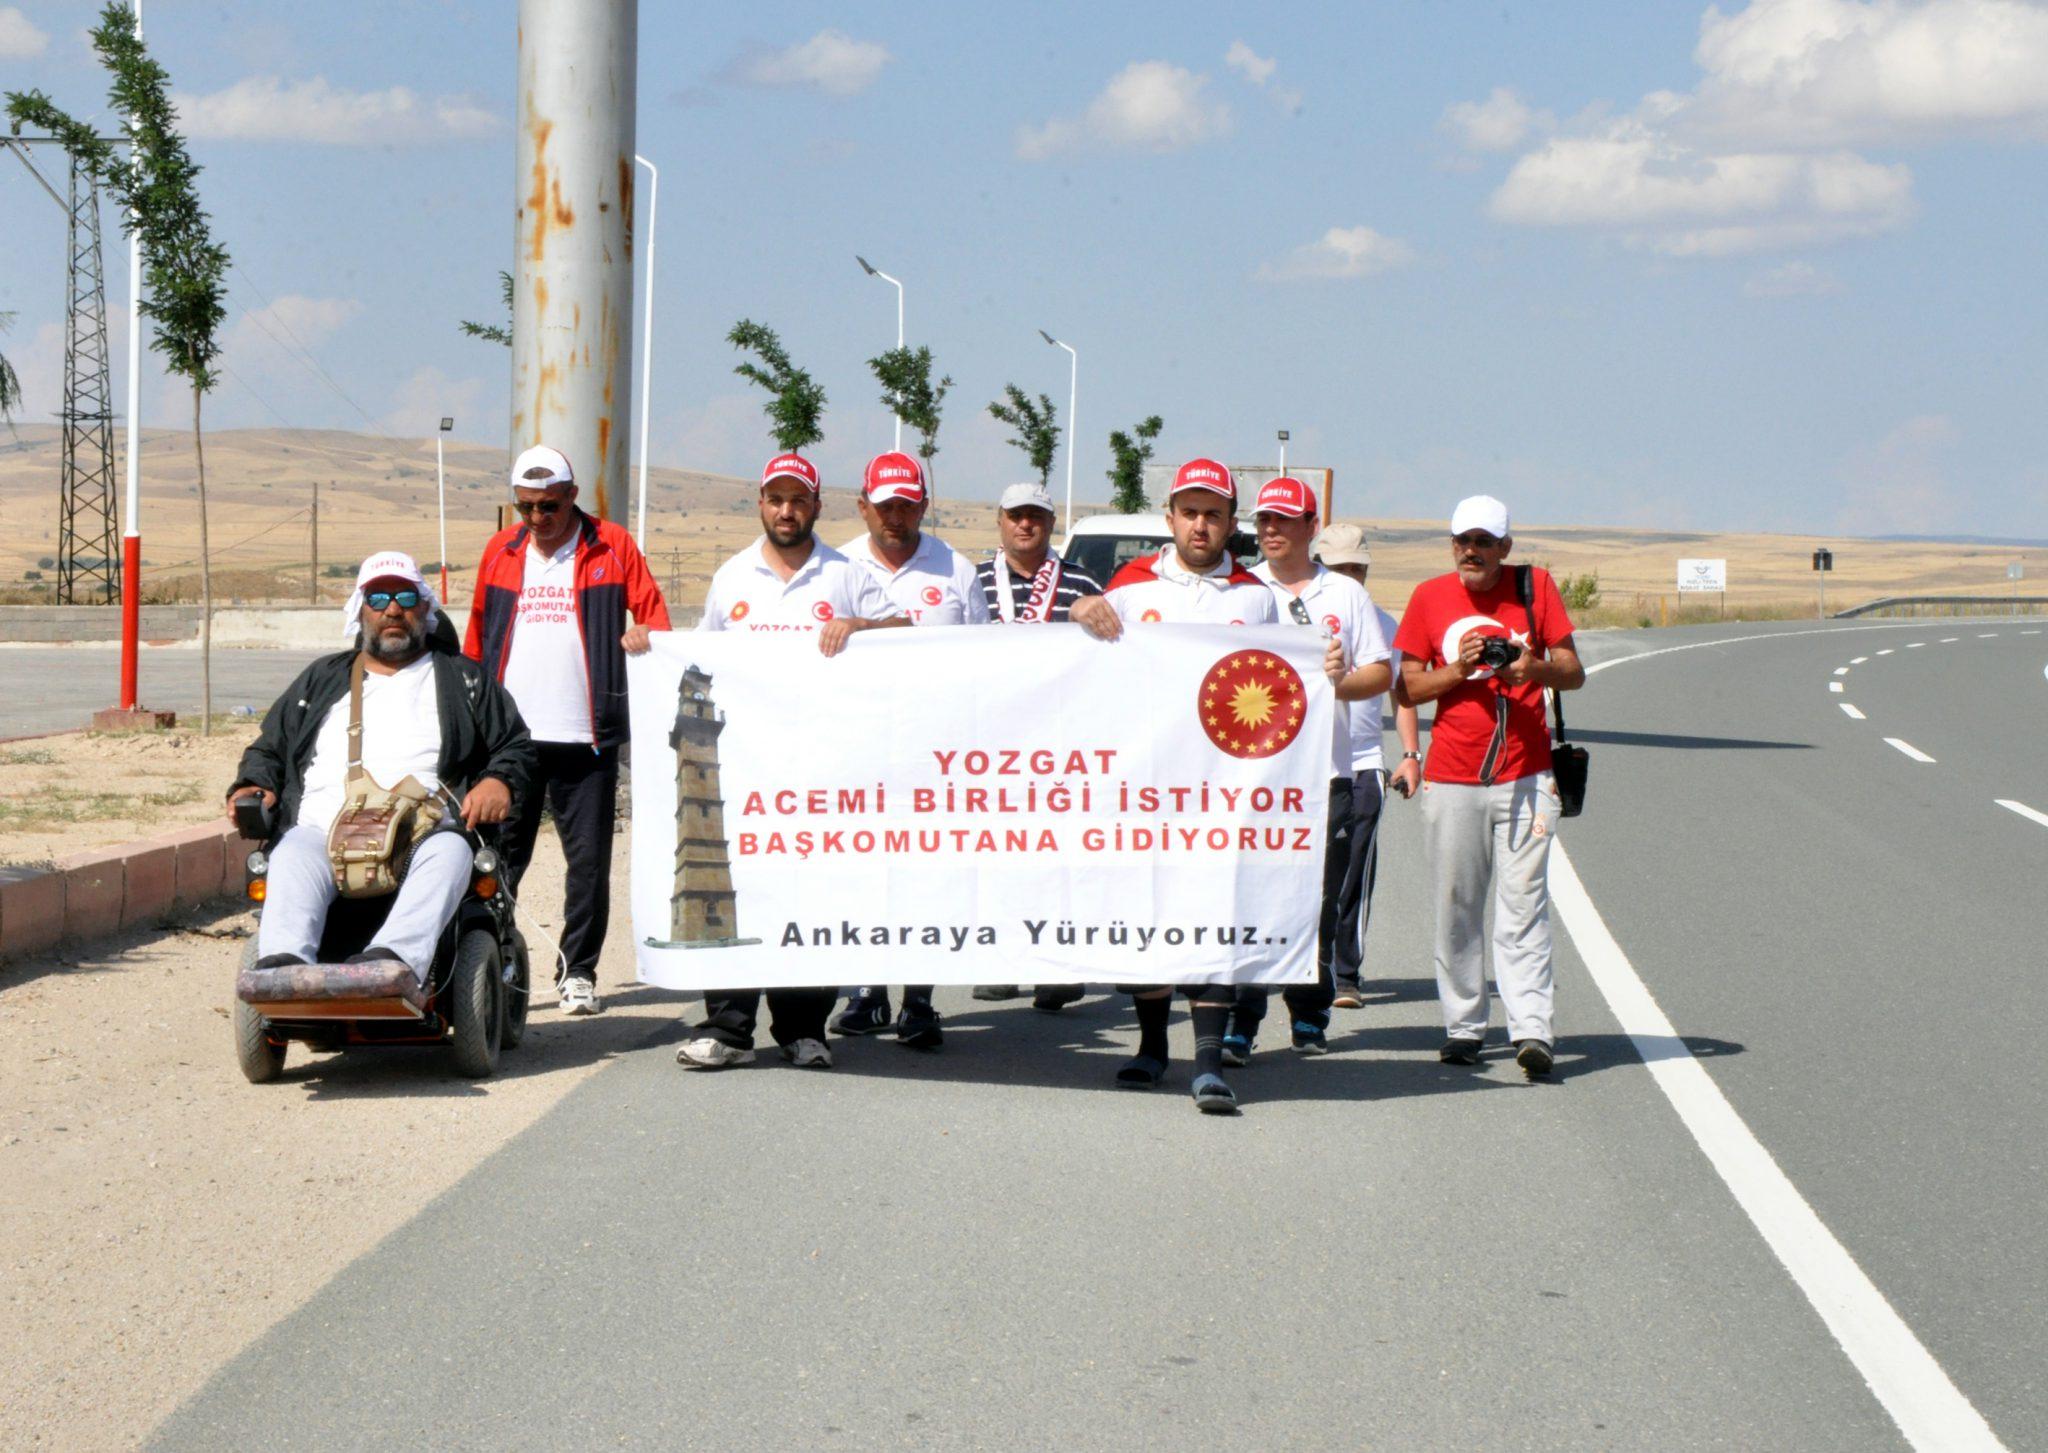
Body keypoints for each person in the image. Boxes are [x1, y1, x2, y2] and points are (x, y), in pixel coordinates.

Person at [673, 452, 907, 1072]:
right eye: (776, 499)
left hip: (822, 768)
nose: (786, 510)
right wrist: (649, 646)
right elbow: (697, 657)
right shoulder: (733, 576)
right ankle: (728, 1026)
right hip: (746, 768)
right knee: (736, 887)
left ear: (816, 506)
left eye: (798, 499)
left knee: (811, 892)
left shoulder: (845, 572)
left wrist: (860, 624)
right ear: (760, 504)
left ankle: (805, 1029)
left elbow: (907, 630)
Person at [226, 552, 535, 981]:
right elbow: (270, 748)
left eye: (406, 596)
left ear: (425, 608)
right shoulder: (322, 679)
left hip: (423, 836)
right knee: (291, 854)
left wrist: (499, 781)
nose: (393, 609)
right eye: (378, 598)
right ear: (360, 611)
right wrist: (254, 784)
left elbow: (515, 746)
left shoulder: (464, 679)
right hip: (322, 832)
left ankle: (392, 963)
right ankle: (283, 970)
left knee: (451, 852)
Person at [1098, 457, 1286, 1115]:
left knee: (1213, 914)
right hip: (1145, 786)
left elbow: (1282, 684)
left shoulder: (1256, 596)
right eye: (1189, 512)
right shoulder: (1128, 586)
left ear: (1232, 522)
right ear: (1170, 518)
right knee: (1146, 917)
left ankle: (1207, 1063)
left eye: (1213, 513)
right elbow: (1078, 671)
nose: (1200, 525)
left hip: (1220, 788)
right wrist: (1080, 613)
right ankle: (1153, 1047)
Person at [464, 444, 671, 1017]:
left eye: (548, 506)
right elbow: (477, 638)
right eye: (524, 506)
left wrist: (641, 637)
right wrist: (471, 717)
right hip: (511, 744)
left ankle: (577, 973)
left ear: (573, 497)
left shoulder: (612, 545)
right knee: (497, 859)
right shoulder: (500, 551)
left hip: (588, 737)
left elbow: (654, 616)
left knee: (588, 865)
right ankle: (498, 960)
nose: (536, 519)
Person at [1392, 495, 1584, 1077]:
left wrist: (1531, 668)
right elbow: (1406, 689)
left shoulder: (1536, 587)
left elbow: (1573, 671)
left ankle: (1532, 1031)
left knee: (1523, 909)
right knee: (1458, 906)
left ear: (1505, 546)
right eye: (1461, 541)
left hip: (1526, 775)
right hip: (1453, 776)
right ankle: (1464, 1026)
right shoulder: (1429, 597)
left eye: (1482, 542)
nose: (1470, 552)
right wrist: (1459, 670)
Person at [830, 451, 990, 1049]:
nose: (895, 516)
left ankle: (920, 1001)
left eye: (907, 504)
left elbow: (983, 659)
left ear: (924, 504)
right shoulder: (835, 565)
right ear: (863, 505)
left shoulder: (956, 569)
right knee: (868, 871)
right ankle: (868, 992)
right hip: (859, 748)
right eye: (884, 504)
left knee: (928, 877)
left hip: (936, 752)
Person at [1231, 479, 1392, 1062]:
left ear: (1309, 525)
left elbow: (1382, 673)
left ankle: (1309, 1011)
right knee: (1251, 896)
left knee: (1319, 900)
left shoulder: (1345, 595)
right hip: (1257, 777)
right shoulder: (1241, 590)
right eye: (1263, 522)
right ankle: (1239, 1021)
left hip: (1328, 772)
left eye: (1283, 520)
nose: (1270, 531)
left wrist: (1338, 682)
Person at [968, 481, 1121, 1011]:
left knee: (1060, 859)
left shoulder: (1082, 581)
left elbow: (1109, 653)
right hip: (991, 744)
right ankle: (1002, 960)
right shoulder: (974, 581)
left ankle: (1059, 966)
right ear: (1000, 520)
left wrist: (1087, 611)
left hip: (1061, 744)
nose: (1025, 525)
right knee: (998, 855)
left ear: (1052, 524)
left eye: (1036, 516)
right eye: (1016, 515)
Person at [1313, 523, 1423, 1009]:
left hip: (1362, 763)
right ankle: (1293, 964)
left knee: (1353, 871)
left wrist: (1411, 754)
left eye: (1358, 568)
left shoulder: (1384, 624)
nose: (1350, 578)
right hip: (1304, 766)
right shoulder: (1297, 616)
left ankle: (1346, 973)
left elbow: (1402, 694)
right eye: (1339, 569)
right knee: (1301, 873)